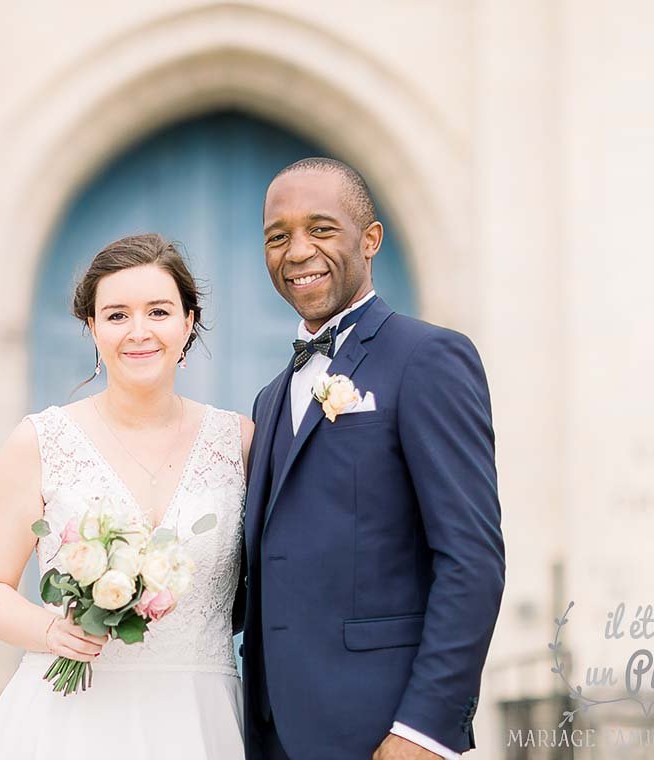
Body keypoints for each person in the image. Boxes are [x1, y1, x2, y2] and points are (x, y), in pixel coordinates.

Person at [240, 158, 506, 760]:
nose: (297, 251)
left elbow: (471, 559)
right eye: (277, 236)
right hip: (274, 734)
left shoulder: (429, 358)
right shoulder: (269, 397)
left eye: (321, 228)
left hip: (385, 733)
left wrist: (423, 732)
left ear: (370, 239)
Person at [0, 233, 253, 759]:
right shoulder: (40, 442)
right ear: (93, 328)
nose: (138, 332)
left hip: (198, 718)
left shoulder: (239, 442)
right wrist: (52, 632)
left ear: (188, 322)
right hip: (68, 722)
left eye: (159, 312)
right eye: (117, 315)